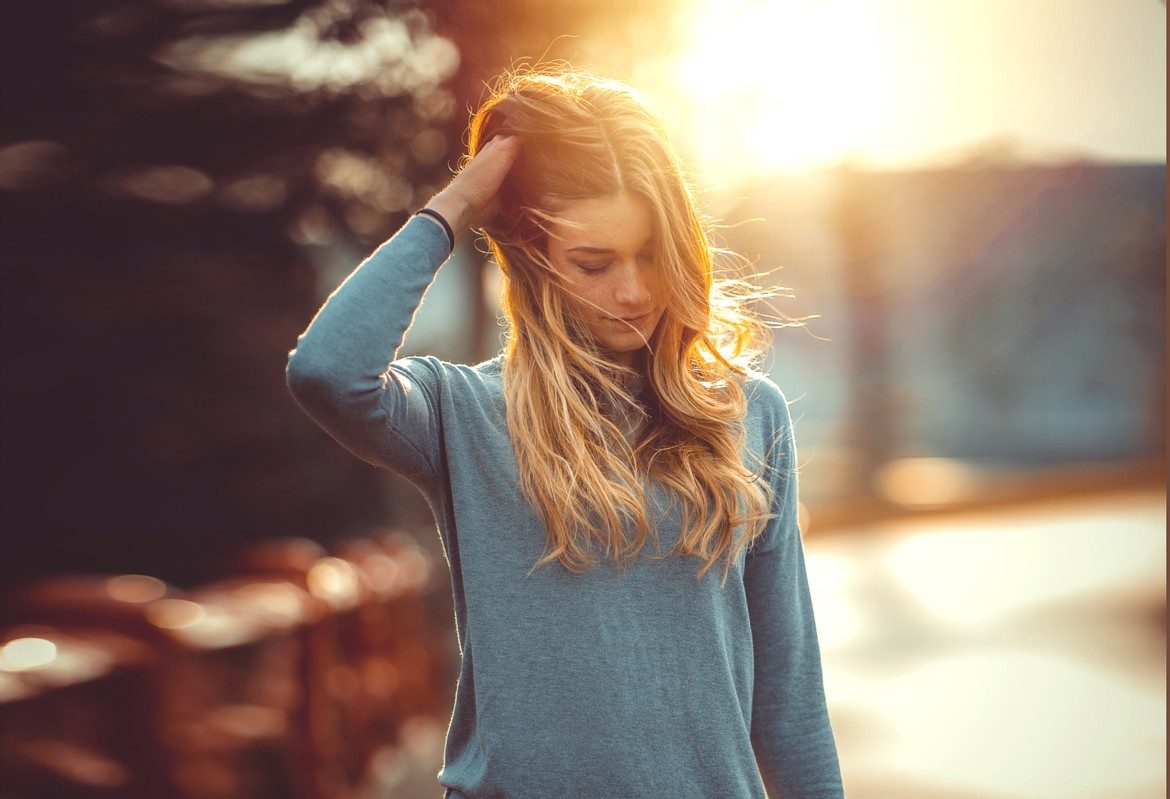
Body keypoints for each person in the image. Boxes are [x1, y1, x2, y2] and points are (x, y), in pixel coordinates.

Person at [286, 67, 844, 798]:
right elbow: (328, 372)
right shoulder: (465, 412)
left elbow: (789, 697)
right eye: (595, 262)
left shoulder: (747, 414)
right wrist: (455, 207)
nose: (634, 290)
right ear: (532, 256)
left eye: (651, 253)